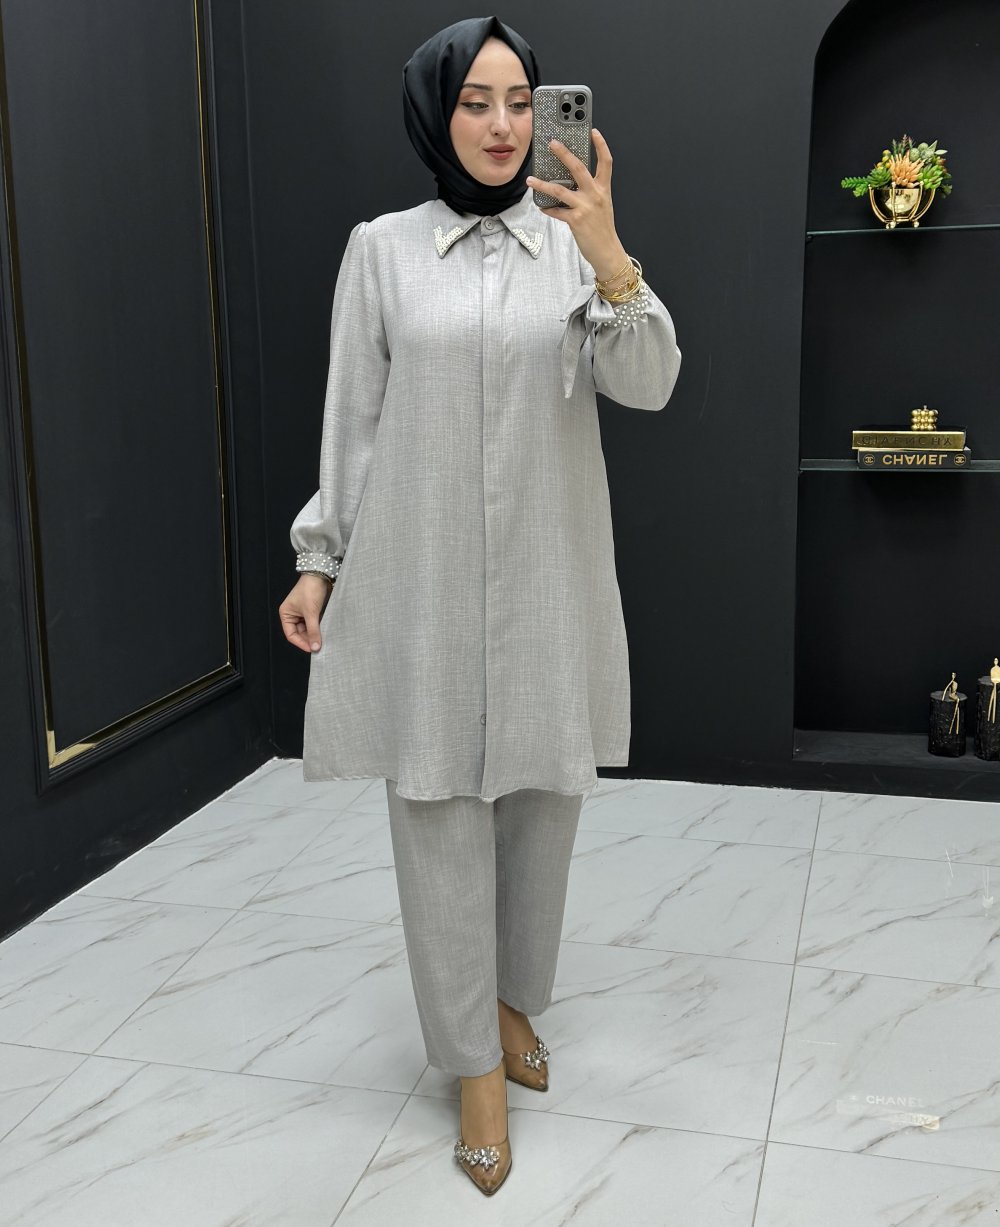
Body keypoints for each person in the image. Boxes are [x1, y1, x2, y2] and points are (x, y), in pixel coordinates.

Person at [278, 15, 681, 1197]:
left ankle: (510, 1003)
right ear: (435, 111)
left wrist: (609, 254)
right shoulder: (381, 252)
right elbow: (353, 421)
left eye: (520, 100)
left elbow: (649, 383)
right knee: (439, 814)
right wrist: (319, 559)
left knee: (542, 809)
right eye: (475, 101)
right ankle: (472, 1067)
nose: (503, 125)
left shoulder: (573, 245)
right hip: (421, 585)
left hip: (548, 577)